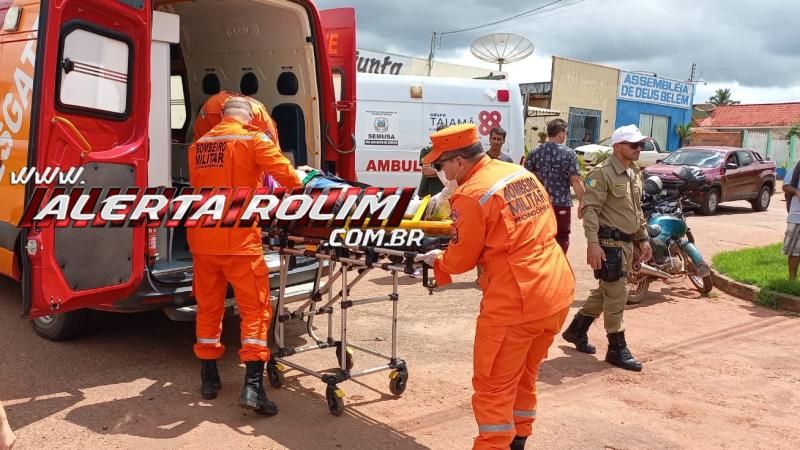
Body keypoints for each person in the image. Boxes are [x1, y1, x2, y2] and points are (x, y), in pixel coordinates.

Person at [415, 124, 575, 450]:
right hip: (556, 290)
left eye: (442, 165)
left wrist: (438, 260)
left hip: (516, 301)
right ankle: (520, 437)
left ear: (459, 161)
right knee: (524, 375)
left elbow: (460, 259)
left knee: (492, 389)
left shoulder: (471, 194)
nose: (440, 172)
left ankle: (495, 444)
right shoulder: (518, 174)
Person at [188, 97, 303, 416]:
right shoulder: (253, 139)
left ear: (222, 116)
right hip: (239, 241)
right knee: (255, 311)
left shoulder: (198, 145)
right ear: (250, 117)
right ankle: (252, 387)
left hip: (202, 239)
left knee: (208, 309)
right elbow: (289, 178)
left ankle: (209, 380)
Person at [562, 124, 653, 372]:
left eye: (640, 145)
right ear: (617, 146)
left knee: (607, 291)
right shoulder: (602, 174)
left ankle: (576, 330)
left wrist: (642, 237)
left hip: (627, 243)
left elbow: (636, 210)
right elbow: (590, 210)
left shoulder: (634, 172)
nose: (638, 149)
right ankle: (616, 348)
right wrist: (593, 244)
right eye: (633, 145)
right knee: (617, 295)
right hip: (609, 243)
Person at [524, 119, 585, 254]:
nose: (565, 135)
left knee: (540, 236)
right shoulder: (569, 153)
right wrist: (582, 201)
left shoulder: (535, 151)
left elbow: (526, 176)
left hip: (540, 204)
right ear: (560, 134)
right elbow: (575, 180)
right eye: (565, 132)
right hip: (561, 204)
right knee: (562, 236)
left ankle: (541, 266)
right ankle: (559, 265)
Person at [781, 159, 800, 279]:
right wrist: (796, 191)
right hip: (797, 216)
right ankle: (791, 281)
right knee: (794, 252)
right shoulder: (797, 167)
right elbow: (785, 186)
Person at [418, 125, 449, 197]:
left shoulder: (453, 152)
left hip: (446, 194)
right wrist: (444, 172)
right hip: (428, 193)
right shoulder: (427, 150)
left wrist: (436, 171)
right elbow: (426, 171)